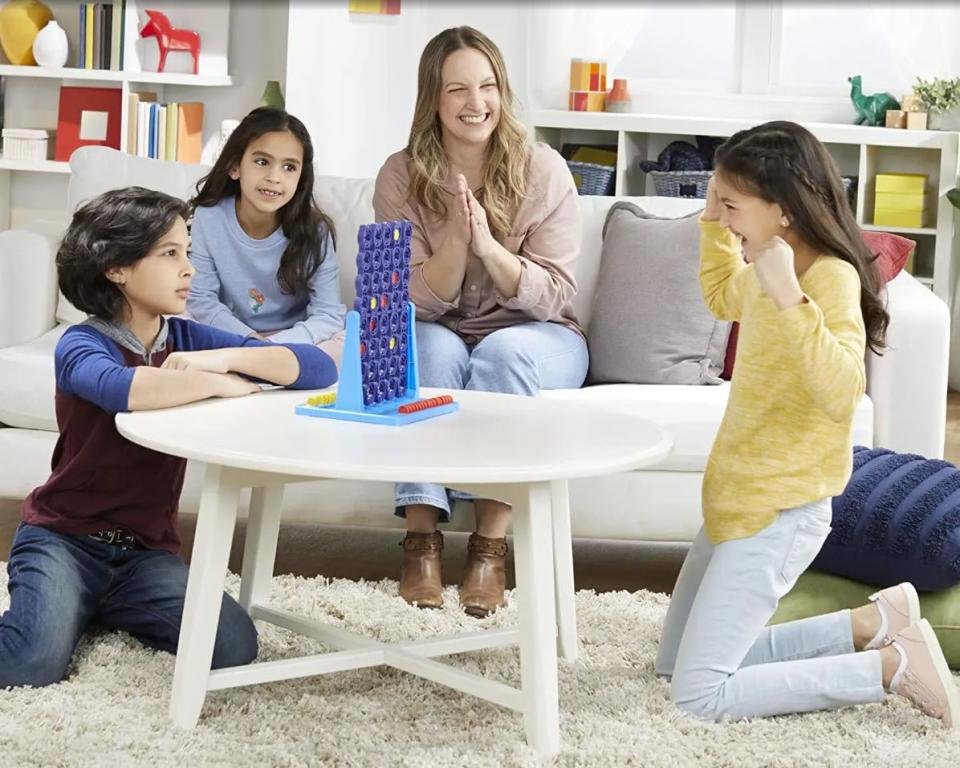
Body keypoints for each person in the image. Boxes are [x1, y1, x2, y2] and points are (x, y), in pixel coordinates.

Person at [655, 120, 958, 727]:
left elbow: (843, 389)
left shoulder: (826, 277)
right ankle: (873, 623)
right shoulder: (772, 258)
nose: (723, 213)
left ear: (783, 210)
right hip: (736, 496)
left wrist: (791, 297)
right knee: (672, 668)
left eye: (733, 204)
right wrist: (714, 224)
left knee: (697, 697)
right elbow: (721, 297)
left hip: (782, 508)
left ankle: (887, 667)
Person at [0, 187, 338, 688]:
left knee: (232, 646)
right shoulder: (81, 343)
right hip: (64, 541)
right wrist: (216, 383)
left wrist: (222, 357)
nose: (190, 270)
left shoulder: (185, 338)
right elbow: (121, 388)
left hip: (145, 554)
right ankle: (66, 605)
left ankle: (88, 609)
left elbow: (314, 367)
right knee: (29, 663)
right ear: (116, 267)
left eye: (188, 252)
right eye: (170, 254)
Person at [373, 26, 588, 617]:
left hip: (541, 337)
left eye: (488, 86)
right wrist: (453, 248)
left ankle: (490, 548)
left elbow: (555, 296)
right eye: (458, 89)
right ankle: (421, 541)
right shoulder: (399, 175)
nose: (476, 103)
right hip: (442, 327)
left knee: (503, 355)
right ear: (433, 100)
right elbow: (397, 301)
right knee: (427, 351)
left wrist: (491, 250)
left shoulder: (544, 170)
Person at [188, 107, 345, 367]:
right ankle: (251, 367)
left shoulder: (315, 230)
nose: (274, 178)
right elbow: (202, 299)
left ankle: (253, 368)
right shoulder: (210, 217)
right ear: (234, 166)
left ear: (300, 178)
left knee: (350, 342)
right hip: (232, 335)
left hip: (295, 343)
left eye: (289, 167)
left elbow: (328, 314)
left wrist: (272, 348)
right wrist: (249, 341)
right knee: (178, 320)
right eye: (262, 162)